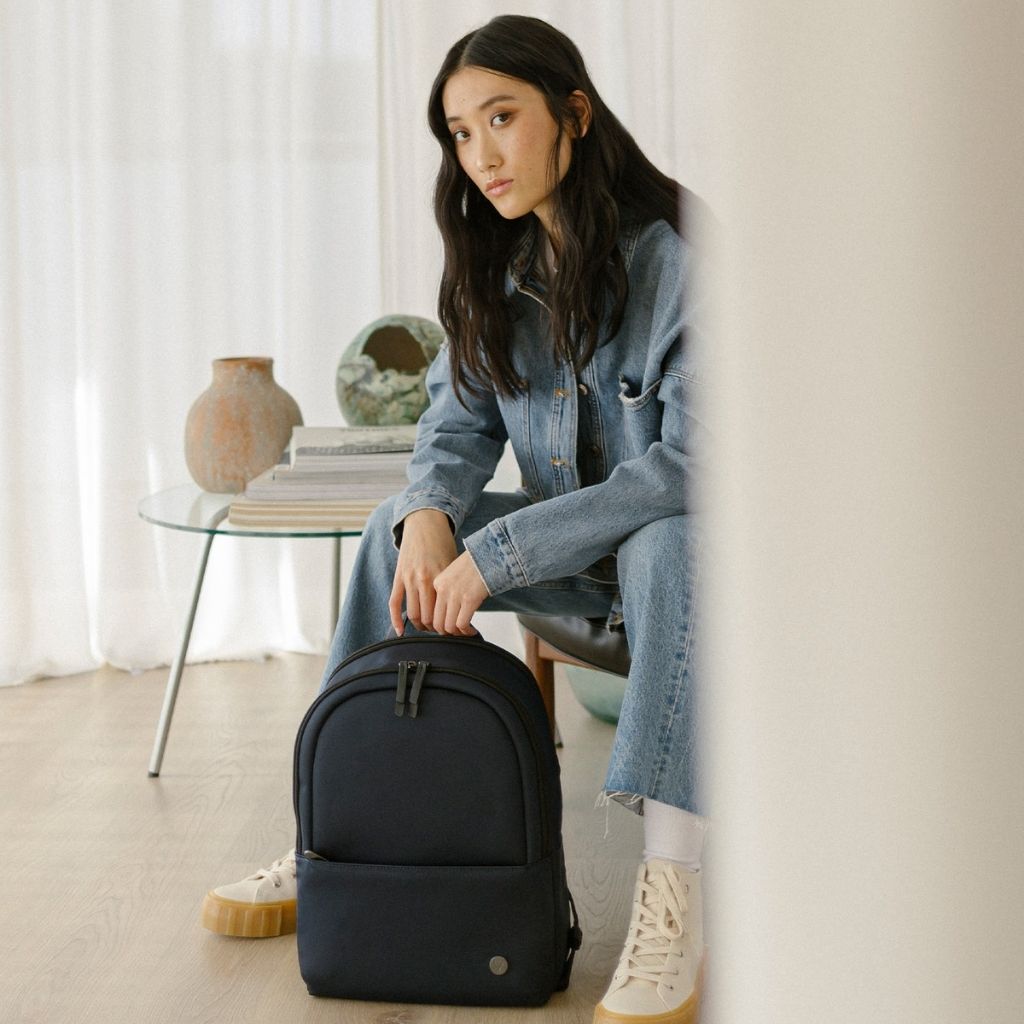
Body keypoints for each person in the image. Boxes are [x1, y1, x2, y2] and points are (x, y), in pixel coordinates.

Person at [200, 14, 709, 1024]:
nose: (480, 156)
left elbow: (689, 466)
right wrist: (433, 511)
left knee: (671, 532)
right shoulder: (493, 266)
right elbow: (453, 423)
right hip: (580, 561)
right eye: (459, 132)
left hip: (688, 565)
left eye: (501, 119)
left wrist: (494, 550)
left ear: (572, 114)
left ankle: (674, 886)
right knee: (394, 515)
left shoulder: (680, 261)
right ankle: (333, 839)